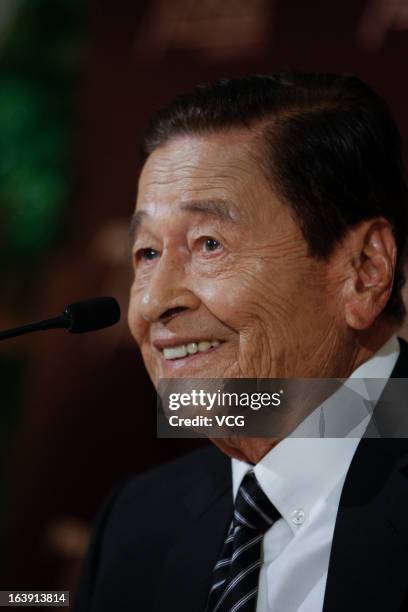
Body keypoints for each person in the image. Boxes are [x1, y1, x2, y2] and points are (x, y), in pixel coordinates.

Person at [73, 73, 408, 612]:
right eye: (146, 254)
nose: (154, 302)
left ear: (364, 270)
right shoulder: (135, 523)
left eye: (209, 244)